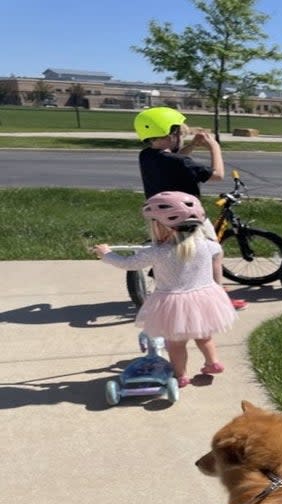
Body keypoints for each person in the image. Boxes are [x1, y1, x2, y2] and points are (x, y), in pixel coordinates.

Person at [92, 191, 236, 389]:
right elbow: (217, 257)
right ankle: (213, 363)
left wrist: (106, 254)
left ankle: (181, 376)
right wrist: (218, 286)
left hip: (173, 304)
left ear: (160, 227)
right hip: (205, 299)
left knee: (176, 344)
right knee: (204, 336)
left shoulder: (157, 252)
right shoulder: (208, 245)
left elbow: (128, 264)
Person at [133, 106, 247, 310]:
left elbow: (176, 160)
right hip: (188, 216)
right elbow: (217, 175)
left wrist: (193, 145)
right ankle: (217, 300)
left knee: (173, 252)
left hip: (159, 217)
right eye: (181, 135)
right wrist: (214, 147)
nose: (182, 139)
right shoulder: (181, 162)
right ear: (172, 134)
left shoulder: (146, 156)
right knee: (213, 253)